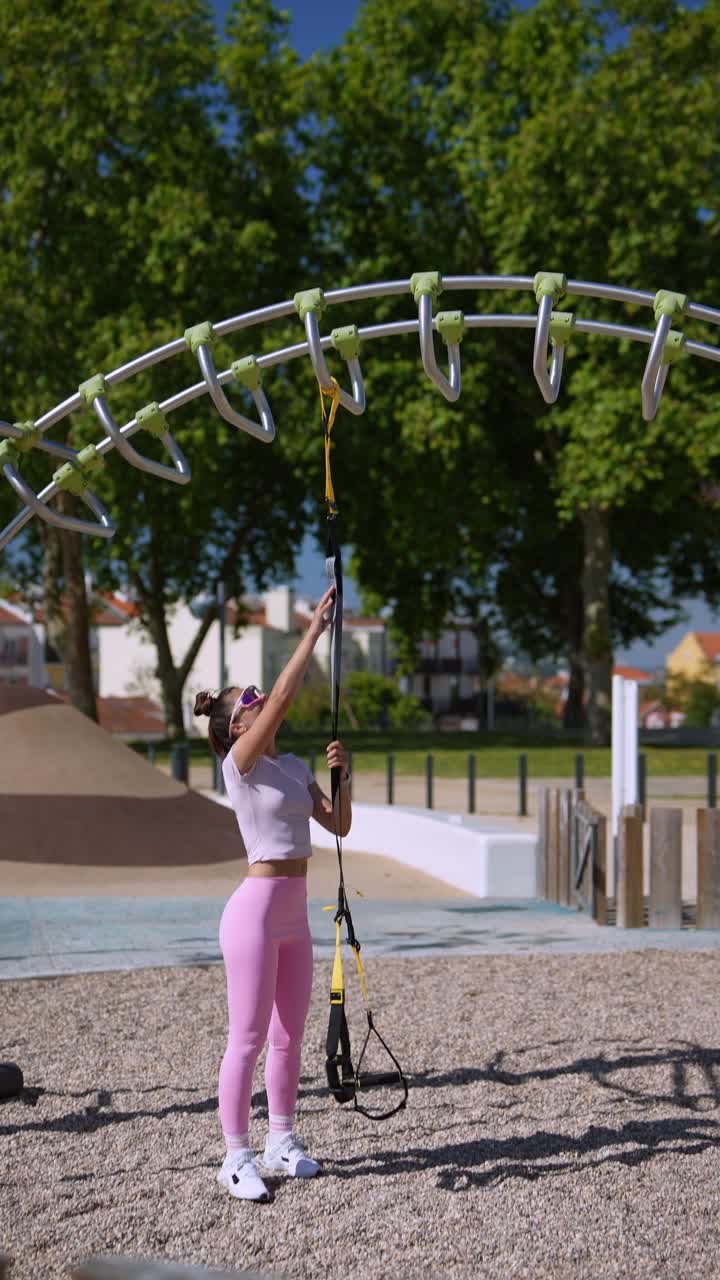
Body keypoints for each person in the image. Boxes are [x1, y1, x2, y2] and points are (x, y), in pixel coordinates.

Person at [194, 585, 351, 1204]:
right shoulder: (242, 765)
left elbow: (337, 825)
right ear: (238, 726)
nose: (264, 702)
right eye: (251, 701)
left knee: (290, 1036)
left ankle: (280, 1141)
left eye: (259, 697)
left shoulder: (289, 768)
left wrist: (346, 775)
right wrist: (313, 629)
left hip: (295, 912)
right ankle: (234, 1157)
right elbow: (285, 697)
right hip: (255, 914)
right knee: (248, 1037)